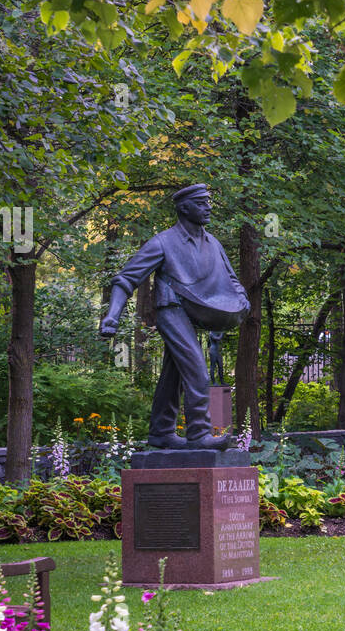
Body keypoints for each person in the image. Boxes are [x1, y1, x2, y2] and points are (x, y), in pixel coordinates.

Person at [99, 185, 249, 449]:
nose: (209, 207)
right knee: (198, 373)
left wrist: (242, 300)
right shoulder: (163, 242)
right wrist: (112, 316)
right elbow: (126, 279)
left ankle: (161, 431)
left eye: (208, 202)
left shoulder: (213, 243)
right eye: (202, 203)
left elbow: (232, 280)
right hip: (171, 310)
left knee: (173, 374)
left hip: (195, 312)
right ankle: (200, 435)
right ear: (184, 208)